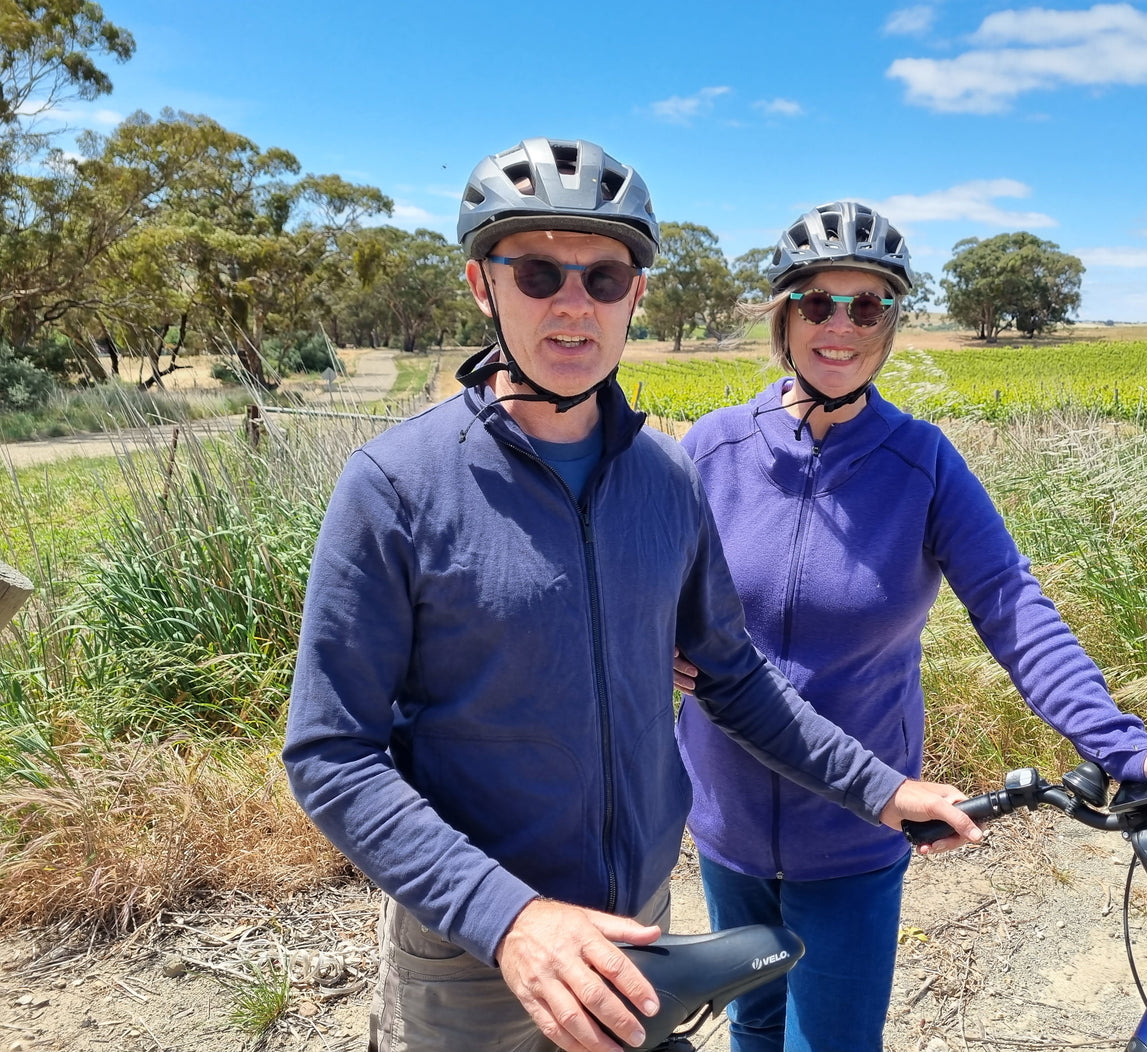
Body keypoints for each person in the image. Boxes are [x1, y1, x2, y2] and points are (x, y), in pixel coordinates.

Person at [282, 143, 980, 1052]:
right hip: (472, 951)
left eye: (604, 277)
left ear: (635, 298)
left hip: (635, 918)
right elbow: (332, 753)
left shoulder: (664, 478)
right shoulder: (396, 485)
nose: (574, 305)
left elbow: (732, 676)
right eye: (537, 273)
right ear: (479, 285)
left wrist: (878, 789)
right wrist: (512, 921)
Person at [671, 200, 1147, 1052]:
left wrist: (1123, 746)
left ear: (892, 321)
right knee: (752, 1027)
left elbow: (1014, 609)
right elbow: (646, 586)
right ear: (783, 314)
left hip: (858, 825)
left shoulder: (922, 462)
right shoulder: (712, 448)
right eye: (818, 302)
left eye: (867, 305)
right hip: (721, 818)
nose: (841, 326)